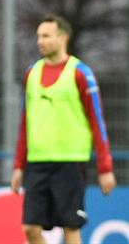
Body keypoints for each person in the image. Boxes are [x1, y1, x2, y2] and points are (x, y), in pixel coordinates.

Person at [10, 15, 116, 244]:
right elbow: (24, 123)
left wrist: (105, 167)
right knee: (30, 228)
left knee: (70, 227)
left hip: (69, 163)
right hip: (37, 163)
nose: (40, 41)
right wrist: (19, 165)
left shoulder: (80, 73)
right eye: (38, 36)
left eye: (46, 36)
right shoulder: (32, 73)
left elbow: (97, 121)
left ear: (62, 38)